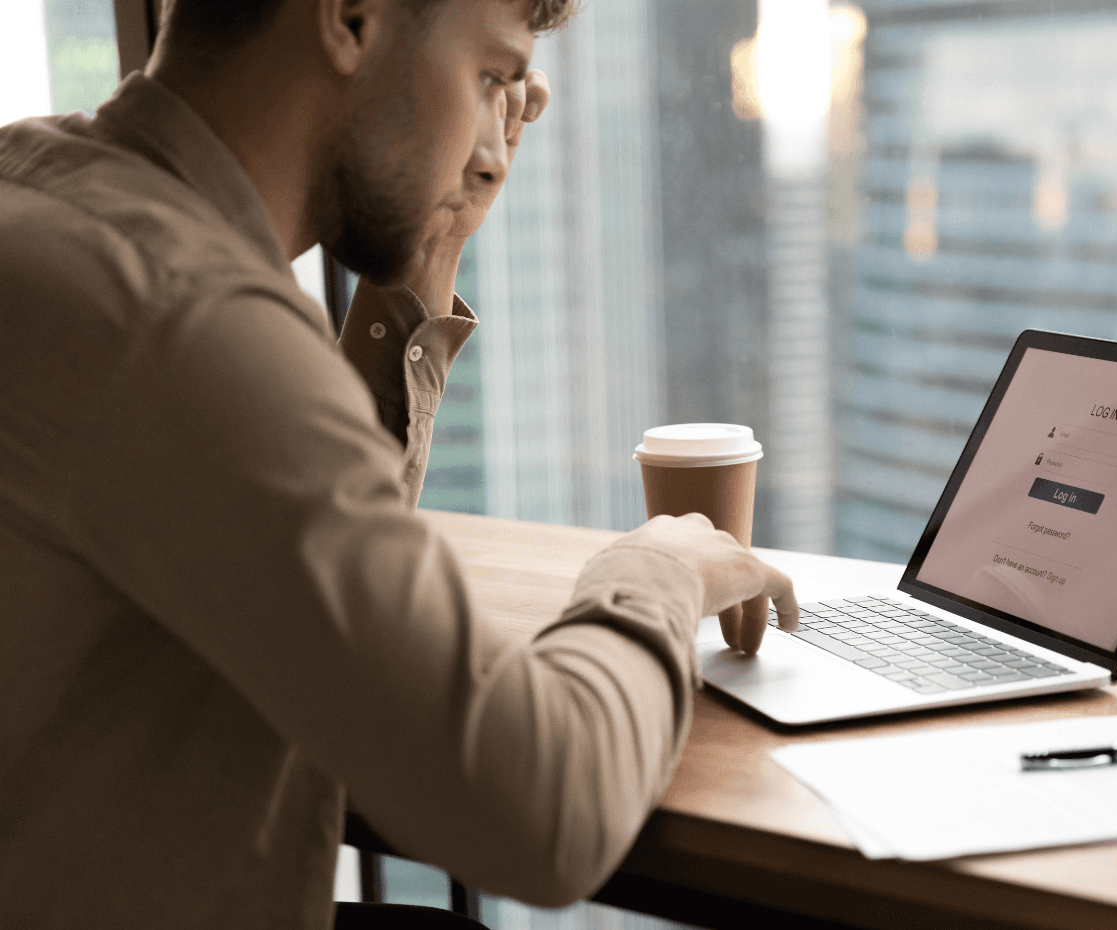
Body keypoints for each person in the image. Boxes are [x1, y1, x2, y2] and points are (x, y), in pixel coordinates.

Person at [0, 0, 798, 927]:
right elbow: (543, 817)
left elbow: (294, 550)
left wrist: (433, 236)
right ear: (349, 17)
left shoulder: (42, 194)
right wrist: (654, 570)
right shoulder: (185, 324)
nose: (492, 136)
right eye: (492, 76)